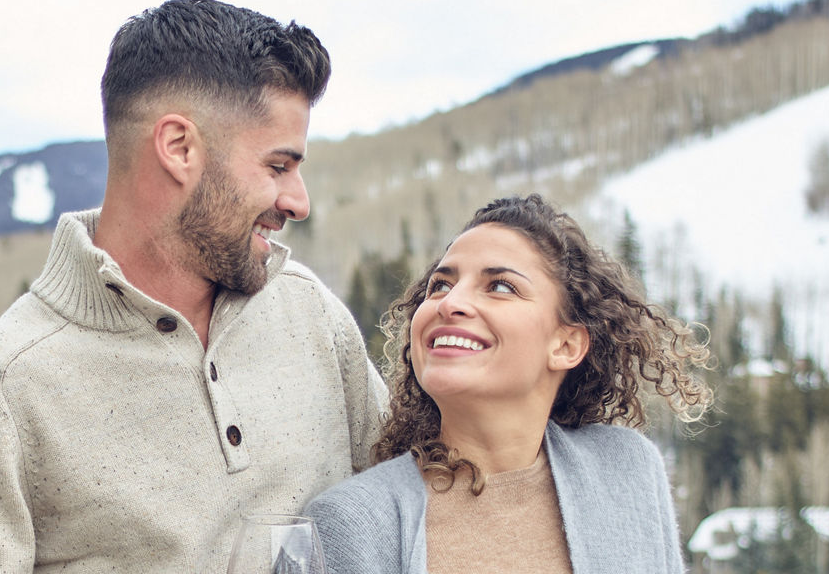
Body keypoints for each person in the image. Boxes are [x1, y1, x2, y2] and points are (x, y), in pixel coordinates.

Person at [0, 0, 388, 573]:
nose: (298, 202)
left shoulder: (311, 315)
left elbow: (420, 505)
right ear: (179, 148)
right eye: (278, 167)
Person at [305, 194, 714, 574]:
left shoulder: (627, 470)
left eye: (501, 286)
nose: (449, 302)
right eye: (441, 285)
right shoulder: (351, 523)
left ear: (566, 344)